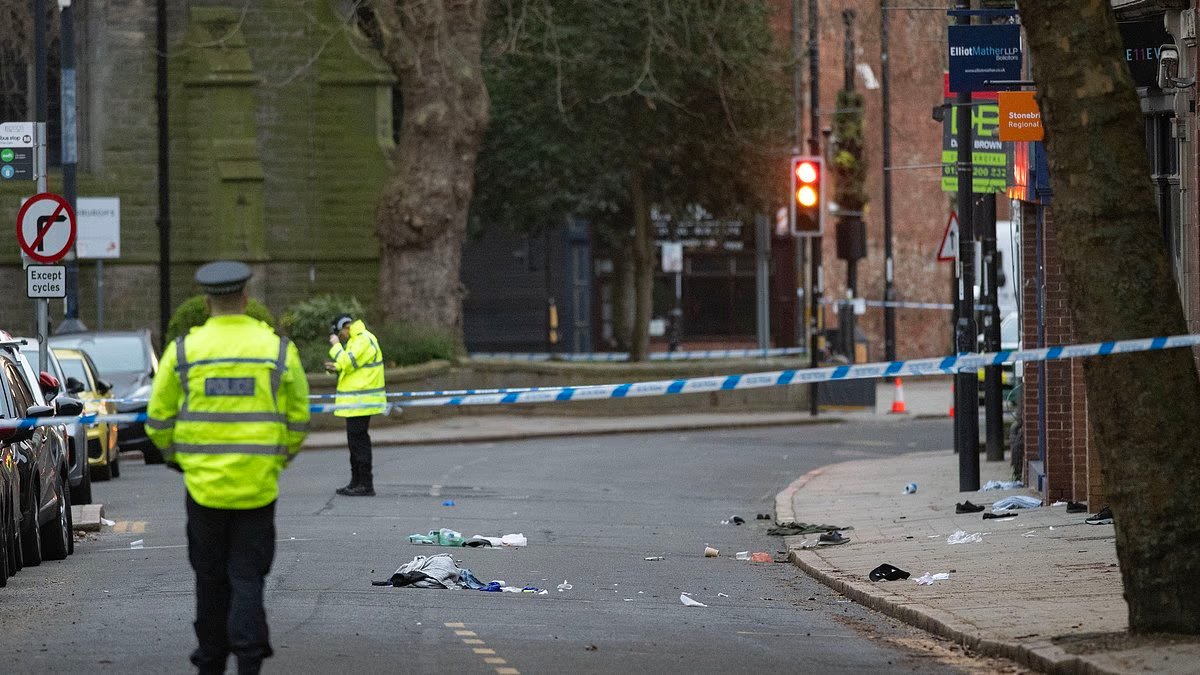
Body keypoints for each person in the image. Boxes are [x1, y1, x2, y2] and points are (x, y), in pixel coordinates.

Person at [146, 261, 310, 675]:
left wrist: (177, 459)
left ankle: (211, 661)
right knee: (248, 577)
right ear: (246, 299)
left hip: (203, 489)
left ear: (206, 302)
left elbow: (158, 419)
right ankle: (250, 659)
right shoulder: (277, 350)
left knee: (209, 578)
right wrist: (280, 458)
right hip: (258, 488)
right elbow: (299, 418)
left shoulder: (184, 351)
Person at [324, 313, 386, 497]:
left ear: (345, 327)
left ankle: (365, 484)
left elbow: (346, 361)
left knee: (359, 442)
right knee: (354, 442)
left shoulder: (363, 339)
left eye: (339, 333)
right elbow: (349, 366)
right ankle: (356, 481)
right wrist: (335, 367)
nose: (340, 337)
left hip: (362, 402)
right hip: (356, 403)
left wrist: (335, 347)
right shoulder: (356, 340)